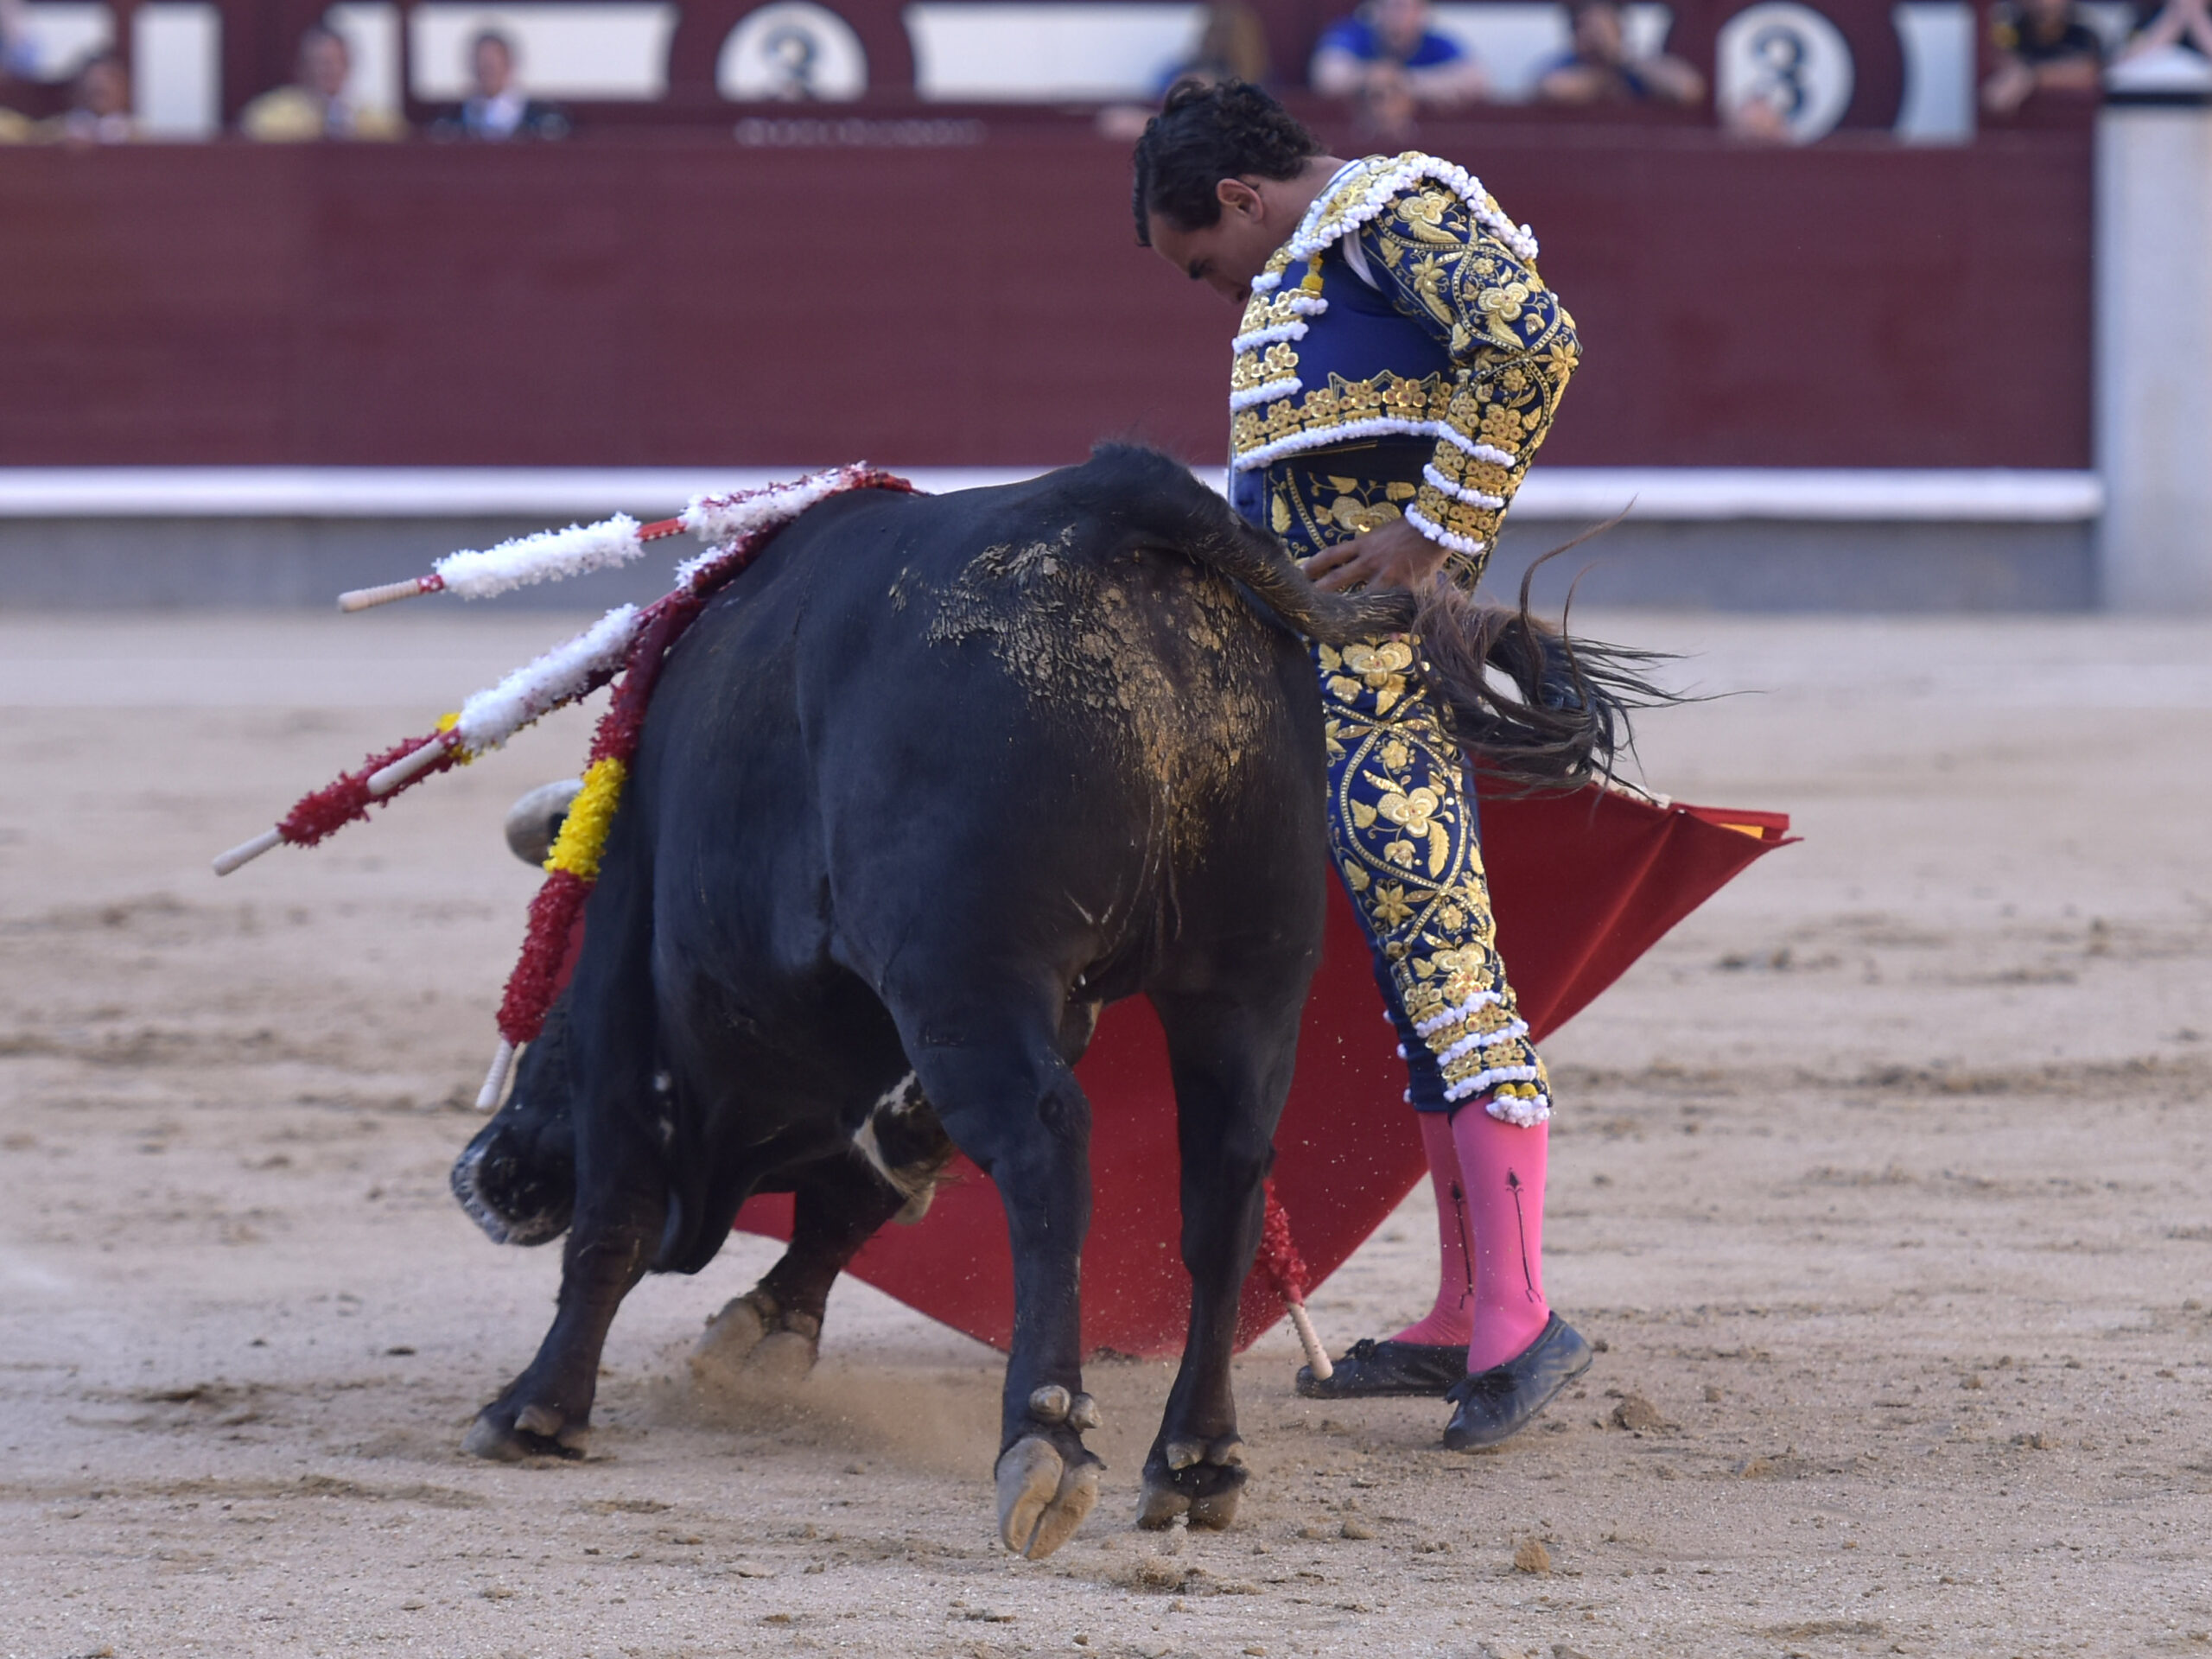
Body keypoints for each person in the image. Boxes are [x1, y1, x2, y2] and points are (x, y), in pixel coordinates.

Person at [1131, 80, 1592, 1449]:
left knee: (1452, 979)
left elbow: (1534, 342)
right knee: (1412, 990)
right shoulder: (1323, 251)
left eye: (1204, 267)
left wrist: (1435, 534)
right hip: (1322, 686)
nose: (1217, 294)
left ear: (1238, 200)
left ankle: (1522, 1321)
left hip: (1386, 673)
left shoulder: (1394, 210)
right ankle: (1465, 1311)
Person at [1310, 0, 1486, 112]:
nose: (1398, 15)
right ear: (1375, 9)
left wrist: (1402, 81)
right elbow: (1327, 77)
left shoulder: (1437, 41)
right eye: (1390, 7)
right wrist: (1371, 77)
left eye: (1405, 7)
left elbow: (1477, 80)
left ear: (1422, 12)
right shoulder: (1351, 33)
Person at [240, 23, 404, 142]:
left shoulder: (377, 119)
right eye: (320, 61)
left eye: (335, 61)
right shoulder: (270, 114)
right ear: (303, 67)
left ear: (348, 65)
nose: (329, 69)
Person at [1535, 0, 1706, 106]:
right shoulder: (1565, 65)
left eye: (1603, 27)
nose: (1595, 35)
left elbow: (1688, 90)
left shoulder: (1640, 69)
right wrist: (1607, 74)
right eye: (1586, 26)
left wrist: (1619, 57)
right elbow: (1551, 91)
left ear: (1620, 28)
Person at [431, 29, 569, 142]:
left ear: (509, 65)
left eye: (493, 66)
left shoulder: (540, 118)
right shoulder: (452, 121)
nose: (487, 73)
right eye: (482, 66)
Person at [1982, 0, 2105, 111]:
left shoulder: (2083, 33)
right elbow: (1997, 56)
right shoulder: (2009, 30)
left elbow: (2089, 72)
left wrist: (2030, 77)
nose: (2043, 3)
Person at [43, 50, 135, 143]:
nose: (100, 83)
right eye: (95, 92)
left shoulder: (138, 135)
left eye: (103, 93)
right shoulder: (54, 132)